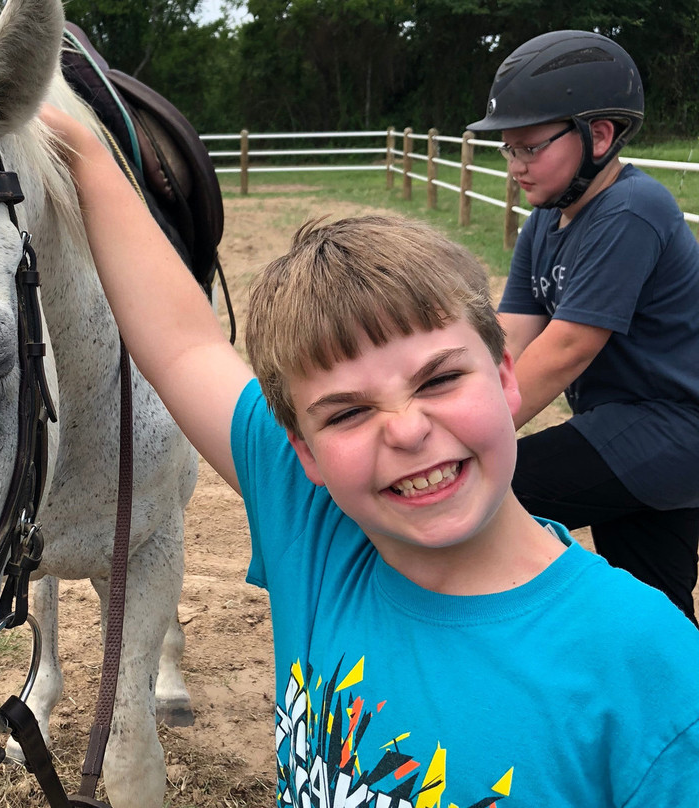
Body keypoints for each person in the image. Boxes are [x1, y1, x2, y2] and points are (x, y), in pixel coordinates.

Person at [39, 104, 699, 805]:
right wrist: (79, 145)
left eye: (439, 380)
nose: (406, 431)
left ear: (507, 376)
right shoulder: (317, 528)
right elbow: (182, 344)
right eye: (348, 413)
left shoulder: (653, 670)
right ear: (304, 453)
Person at [466, 30, 699, 625]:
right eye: (508, 150)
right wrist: (457, 390)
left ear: (597, 136)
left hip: (668, 427)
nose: (516, 166)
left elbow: (567, 347)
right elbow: (508, 335)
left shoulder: (632, 209)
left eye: (530, 147)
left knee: (479, 496)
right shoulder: (545, 222)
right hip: (623, 431)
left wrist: (468, 435)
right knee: (659, 613)